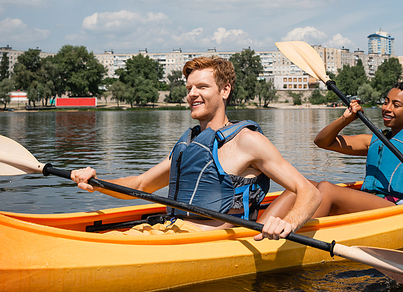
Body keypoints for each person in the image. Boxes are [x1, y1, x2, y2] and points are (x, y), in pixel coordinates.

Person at [71, 56, 320, 240]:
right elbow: (141, 185)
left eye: (201, 87)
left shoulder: (247, 140)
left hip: (208, 240)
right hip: (170, 230)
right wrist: (97, 182)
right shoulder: (190, 143)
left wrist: (287, 224)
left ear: (225, 90)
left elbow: (309, 192)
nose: (192, 94)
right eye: (189, 88)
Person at [265, 82, 403, 225]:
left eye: (396, 104)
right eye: (386, 102)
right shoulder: (374, 139)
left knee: (326, 189)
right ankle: (255, 230)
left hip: (400, 209)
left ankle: (294, 234)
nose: (387, 108)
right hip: (370, 202)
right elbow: (322, 142)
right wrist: (345, 119)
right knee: (300, 187)